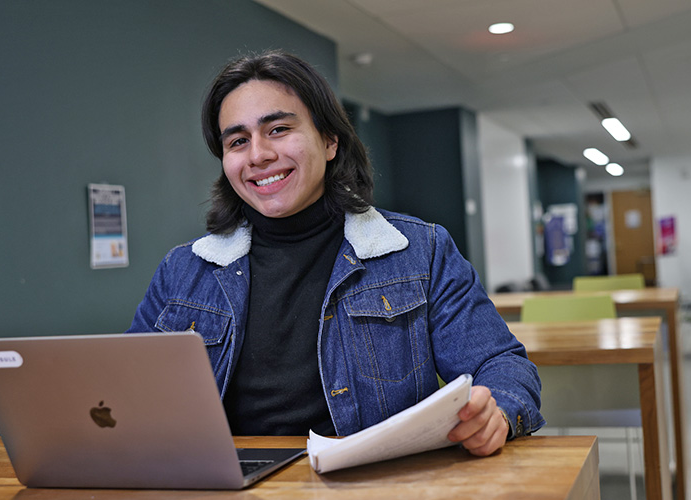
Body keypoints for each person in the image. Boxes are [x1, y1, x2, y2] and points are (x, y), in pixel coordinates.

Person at [128, 50, 544, 456]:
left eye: (278, 130)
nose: (258, 155)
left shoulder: (421, 252)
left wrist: (499, 412)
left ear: (330, 141)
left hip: (377, 483)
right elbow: (127, 388)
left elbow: (502, 364)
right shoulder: (183, 271)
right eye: (238, 141)